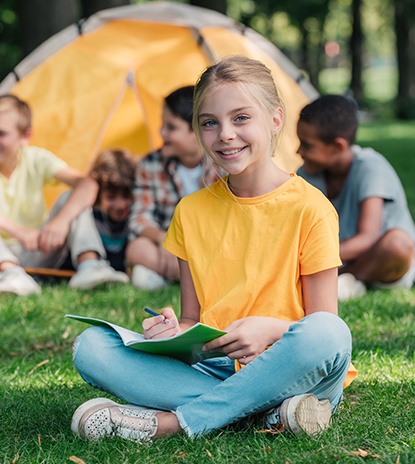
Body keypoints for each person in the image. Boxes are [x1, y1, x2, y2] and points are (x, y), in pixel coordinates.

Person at [70, 55, 356, 443]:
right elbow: (192, 320)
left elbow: (323, 323)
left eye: (241, 118)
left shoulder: (312, 208)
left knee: (330, 333)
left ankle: (177, 422)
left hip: (294, 370)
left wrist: (268, 330)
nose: (224, 134)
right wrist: (172, 333)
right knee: (92, 347)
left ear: (275, 120)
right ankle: (266, 414)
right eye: (210, 123)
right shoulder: (190, 211)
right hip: (216, 366)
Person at [0, 95, 128, 295]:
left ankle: (90, 266)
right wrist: (17, 231)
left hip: (38, 249)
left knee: (71, 198)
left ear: (25, 136)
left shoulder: (36, 159)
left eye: (0, 133)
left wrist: (61, 221)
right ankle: (10, 273)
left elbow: (88, 184)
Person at [297, 95, 415, 300]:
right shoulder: (308, 174)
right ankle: (345, 284)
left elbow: (368, 238)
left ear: (337, 147)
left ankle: (347, 280)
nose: (298, 151)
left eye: (307, 145)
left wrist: (309, 259)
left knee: (398, 244)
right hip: (336, 259)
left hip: (382, 265)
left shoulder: (371, 168)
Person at [125, 86, 221, 290]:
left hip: (212, 250)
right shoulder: (150, 165)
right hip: (169, 251)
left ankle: (171, 277)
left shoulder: (222, 165)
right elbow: (139, 219)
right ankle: (200, 281)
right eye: (163, 125)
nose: (161, 132)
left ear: (197, 131)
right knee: (137, 249)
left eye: (171, 127)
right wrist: (164, 239)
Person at [85, 148, 137, 272]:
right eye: (111, 197)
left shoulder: (136, 217)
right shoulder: (89, 217)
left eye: (126, 196)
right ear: (98, 194)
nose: (120, 205)